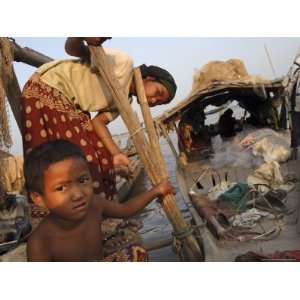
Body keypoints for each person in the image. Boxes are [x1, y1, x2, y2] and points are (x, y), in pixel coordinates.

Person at [21, 37, 177, 200]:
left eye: (158, 102)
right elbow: (72, 48)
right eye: (158, 93)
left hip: (73, 105)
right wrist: (85, 36)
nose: (153, 100)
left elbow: (98, 123)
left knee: (103, 157)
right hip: (49, 87)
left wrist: (116, 154)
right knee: (83, 159)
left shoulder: (125, 103)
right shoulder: (123, 62)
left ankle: (99, 209)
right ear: (150, 78)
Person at [24, 139, 174, 262]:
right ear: (38, 198)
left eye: (82, 180)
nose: (78, 194)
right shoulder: (40, 242)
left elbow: (126, 209)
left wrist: (157, 190)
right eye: (61, 188)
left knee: (137, 254)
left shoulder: (95, 204)